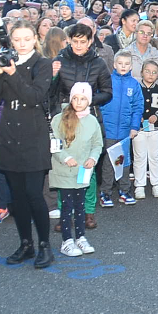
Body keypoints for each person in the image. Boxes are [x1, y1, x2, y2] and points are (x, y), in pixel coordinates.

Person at [0, 22, 55, 268]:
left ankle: (45, 245)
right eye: (17, 39)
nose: (22, 43)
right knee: (17, 196)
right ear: (12, 41)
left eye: (27, 38)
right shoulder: (6, 62)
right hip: (9, 132)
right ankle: (25, 243)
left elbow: (34, 97)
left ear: (34, 39)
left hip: (33, 133)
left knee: (33, 193)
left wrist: (13, 74)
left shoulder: (42, 64)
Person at [51, 24, 113, 229]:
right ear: (69, 40)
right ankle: (64, 213)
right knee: (64, 167)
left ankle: (88, 212)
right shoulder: (59, 60)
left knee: (88, 168)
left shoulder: (98, 63)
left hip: (89, 117)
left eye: (83, 41)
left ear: (89, 42)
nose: (78, 45)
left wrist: (87, 100)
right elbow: (50, 91)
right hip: (65, 117)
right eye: (75, 41)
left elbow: (107, 92)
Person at [51, 83, 103, 258]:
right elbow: (54, 143)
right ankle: (67, 240)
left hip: (82, 170)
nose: (78, 102)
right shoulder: (59, 119)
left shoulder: (92, 120)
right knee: (67, 206)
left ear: (88, 101)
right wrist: (66, 157)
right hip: (65, 169)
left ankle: (80, 237)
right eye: (75, 98)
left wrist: (93, 158)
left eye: (83, 99)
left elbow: (97, 144)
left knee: (80, 205)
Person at [101, 53, 142, 207]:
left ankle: (124, 191)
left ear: (131, 66)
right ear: (114, 65)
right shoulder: (107, 82)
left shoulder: (134, 84)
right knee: (108, 163)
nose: (123, 66)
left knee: (123, 162)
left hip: (125, 131)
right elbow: (100, 103)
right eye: (120, 63)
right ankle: (105, 193)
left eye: (126, 64)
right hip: (109, 129)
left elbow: (138, 107)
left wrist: (134, 127)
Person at [133, 60, 158, 199]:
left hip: (156, 129)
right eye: (147, 71)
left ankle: (156, 183)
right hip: (139, 129)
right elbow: (131, 105)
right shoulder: (136, 89)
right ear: (141, 72)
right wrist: (136, 118)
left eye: (154, 72)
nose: (150, 75)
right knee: (140, 156)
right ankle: (139, 185)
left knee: (155, 156)